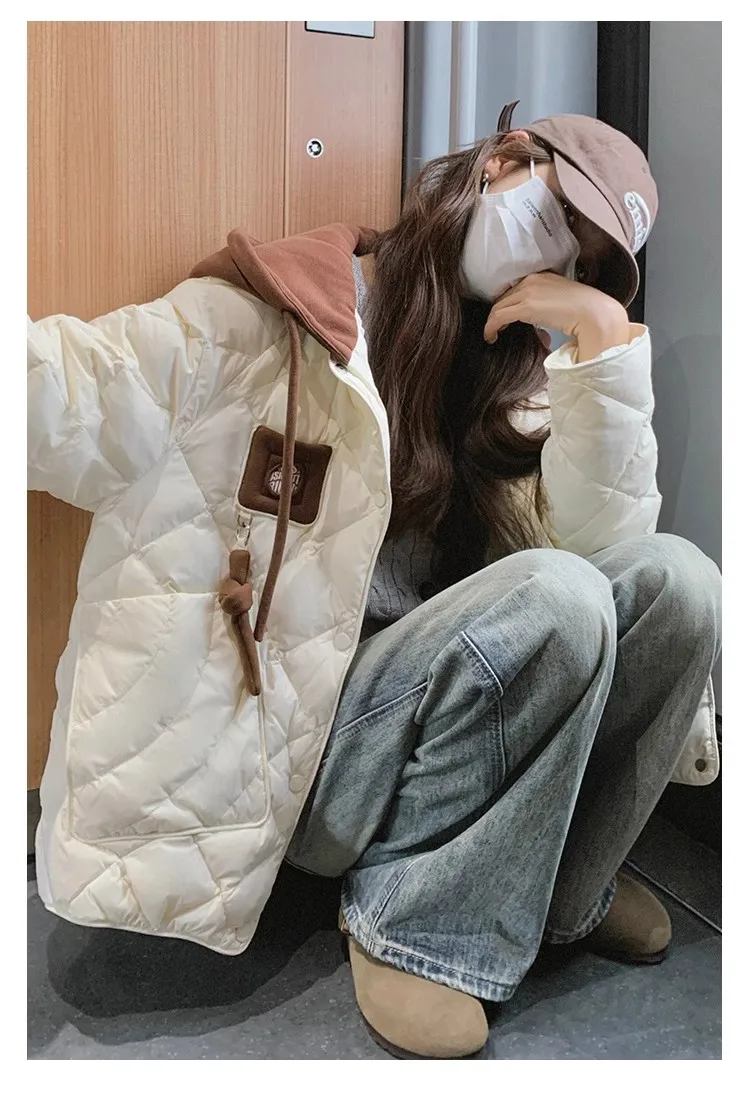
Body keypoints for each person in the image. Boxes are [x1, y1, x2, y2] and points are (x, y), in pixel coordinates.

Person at [28, 105, 721, 1060]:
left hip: (452, 730)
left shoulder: (518, 386)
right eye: (560, 215)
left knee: (683, 583)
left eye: (586, 260)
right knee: (554, 593)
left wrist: (602, 347)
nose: (555, 257)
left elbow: (613, 571)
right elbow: (67, 390)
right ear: (501, 161)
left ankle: (563, 883)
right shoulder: (273, 324)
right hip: (308, 757)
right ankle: (414, 921)